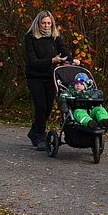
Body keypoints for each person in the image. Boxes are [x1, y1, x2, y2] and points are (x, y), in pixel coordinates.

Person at [23, 10, 70, 149]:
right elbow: (32, 61)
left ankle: (34, 131)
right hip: (35, 77)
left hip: (51, 77)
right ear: (38, 23)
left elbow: (64, 52)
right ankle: (40, 136)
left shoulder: (55, 37)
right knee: (40, 106)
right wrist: (51, 60)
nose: (46, 25)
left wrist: (73, 60)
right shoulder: (30, 38)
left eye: (49, 23)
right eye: (43, 23)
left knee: (48, 107)